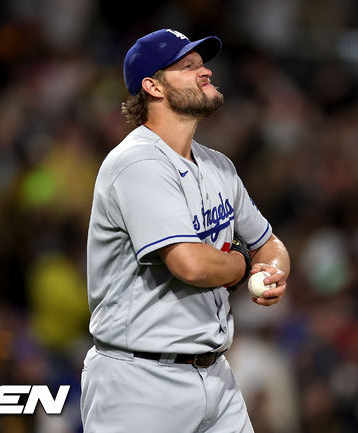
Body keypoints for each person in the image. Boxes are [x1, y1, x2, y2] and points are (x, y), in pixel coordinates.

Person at [80, 28, 290, 433]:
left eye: (203, 63)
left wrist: (273, 269)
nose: (205, 72)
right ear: (152, 86)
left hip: (217, 375)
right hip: (139, 381)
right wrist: (246, 264)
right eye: (188, 66)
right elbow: (191, 264)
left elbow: (270, 243)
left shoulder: (218, 166)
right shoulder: (137, 162)